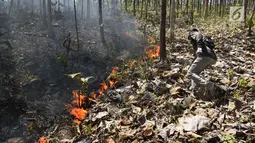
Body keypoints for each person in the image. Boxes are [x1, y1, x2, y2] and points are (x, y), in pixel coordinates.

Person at [187, 28, 217, 97]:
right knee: (195, 73)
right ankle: (193, 89)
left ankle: (209, 85)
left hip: (205, 56)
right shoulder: (201, 43)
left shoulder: (195, 33)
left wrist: (199, 48)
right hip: (212, 58)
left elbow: (198, 36)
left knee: (190, 73)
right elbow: (196, 57)